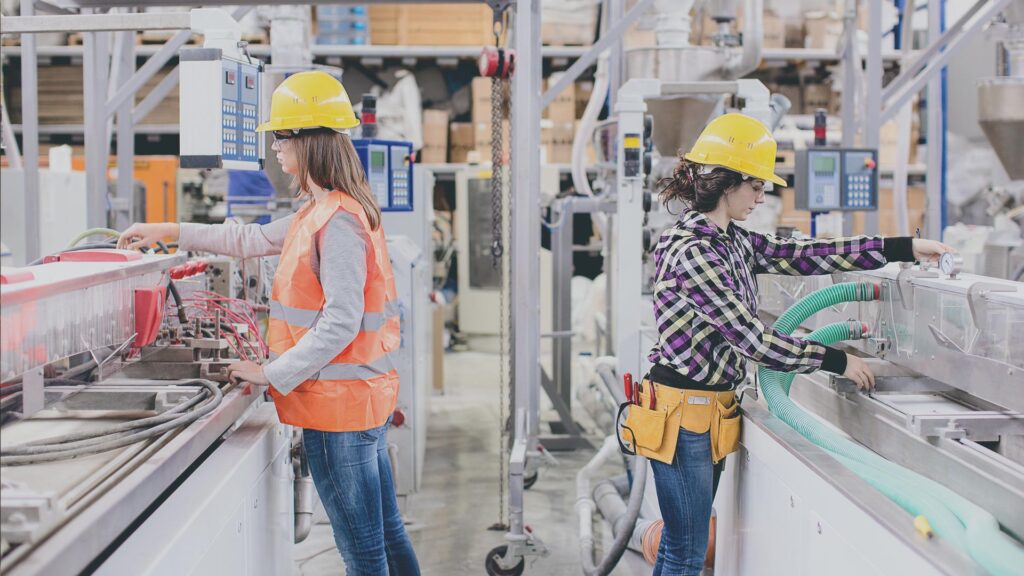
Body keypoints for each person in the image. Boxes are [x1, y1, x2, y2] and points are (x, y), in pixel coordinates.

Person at [117, 71, 420, 576]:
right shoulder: (324, 210)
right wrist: (165, 230)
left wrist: (269, 372)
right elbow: (248, 241)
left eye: (281, 138)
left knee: (365, 555)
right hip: (358, 402)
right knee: (386, 536)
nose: (276, 150)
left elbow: (341, 322)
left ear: (310, 141)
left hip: (339, 412)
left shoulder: (337, 220)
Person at [644, 113, 953, 576]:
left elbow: (806, 255)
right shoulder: (694, 250)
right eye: (756, 186)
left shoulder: (731, 241)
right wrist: (833, 359)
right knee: (684, 553)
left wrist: (903, 247)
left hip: (707, 413)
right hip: (684, 416)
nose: (761, 196)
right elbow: (752, 340)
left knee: (682, 547)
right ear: (728, 183)